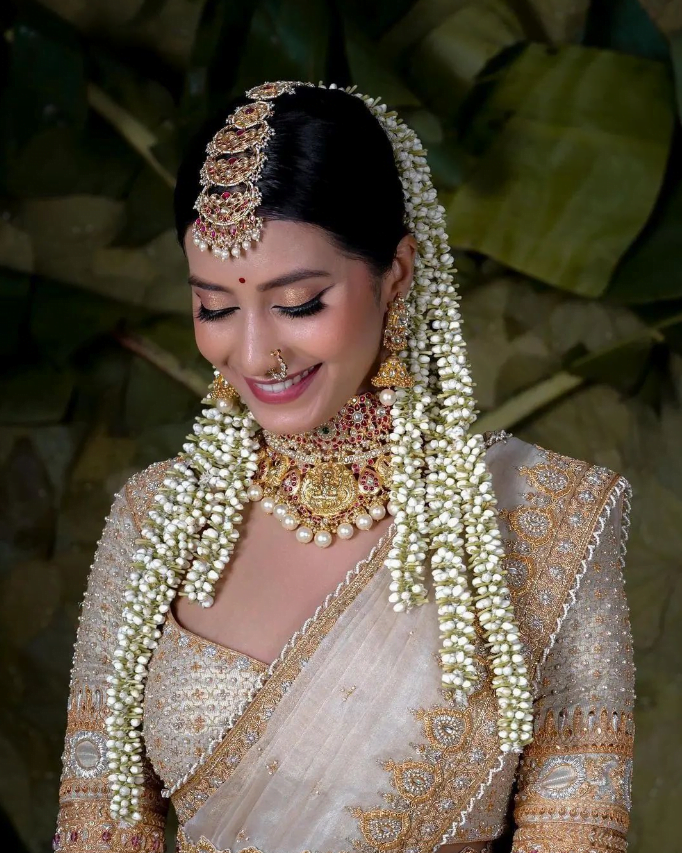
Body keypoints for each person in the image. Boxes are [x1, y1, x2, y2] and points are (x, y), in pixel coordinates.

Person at [54, 81, 635, 853]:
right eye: (216, 308)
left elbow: (576, 829)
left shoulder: (548, 516)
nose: (255, 353)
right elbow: (98, 821)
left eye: (297, 302)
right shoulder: (158, 520)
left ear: (394, 272)